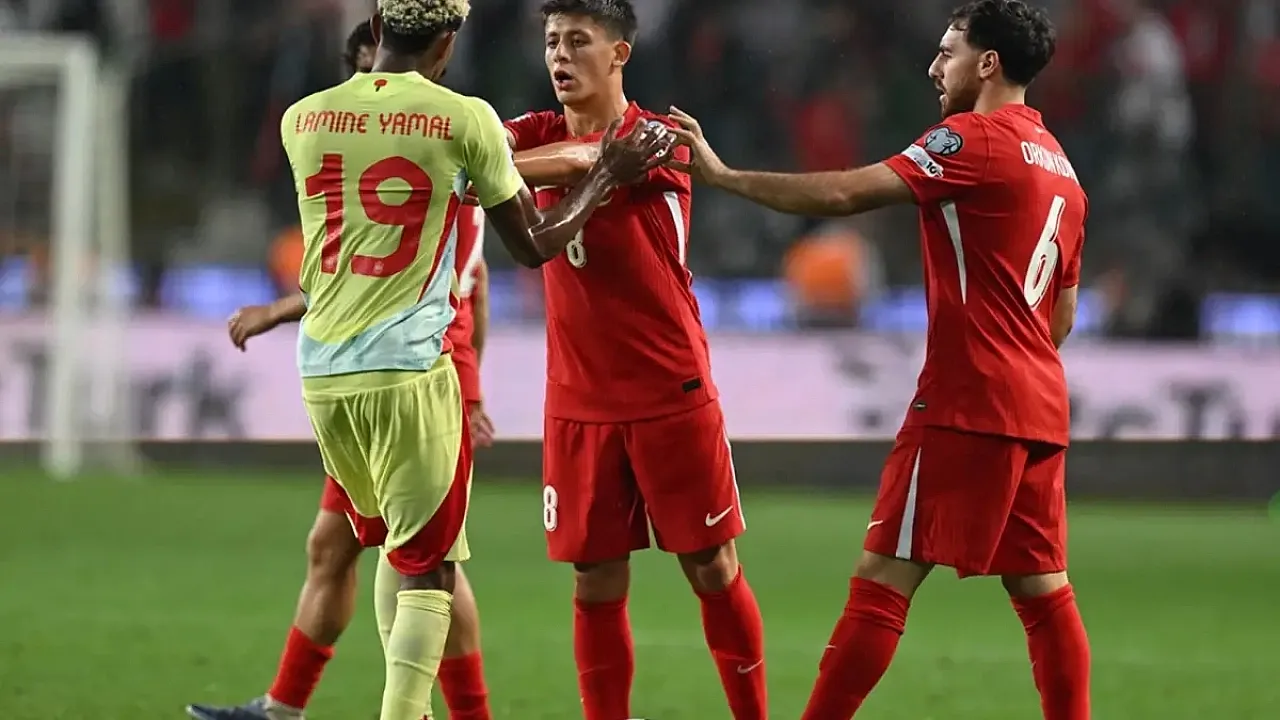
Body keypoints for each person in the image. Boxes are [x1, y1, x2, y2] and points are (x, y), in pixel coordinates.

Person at [209, 0, 670, 718]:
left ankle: (326, 707)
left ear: (379, 30)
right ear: (447, 43)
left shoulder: (302, 119)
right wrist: (604, 174)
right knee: (428, 569)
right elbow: (531, 246)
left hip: (322, 375)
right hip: (409, 373)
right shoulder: (464, 119)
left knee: (385, 549)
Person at [668, 2, 1090, 719]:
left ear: (988, 63)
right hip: (1040, 406)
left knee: (882, 580)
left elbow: (843, 192)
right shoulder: (1063, 169)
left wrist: (726, 176)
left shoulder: (972, 139)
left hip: (968, 400)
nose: (934, 66)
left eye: (949, 52)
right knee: (1042, 589)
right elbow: (1063, 317)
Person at [503, 2, 767, 719]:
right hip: (578, 399)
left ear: (620, 54)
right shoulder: (537, 130)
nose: (560, 56)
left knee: (711, 565)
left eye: (578, 41)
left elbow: (567, 163)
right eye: (551, 41)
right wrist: (492, 164)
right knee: (594, 579)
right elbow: (480, 167)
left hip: (668, 389)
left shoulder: (659, 139)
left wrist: (500, 170)